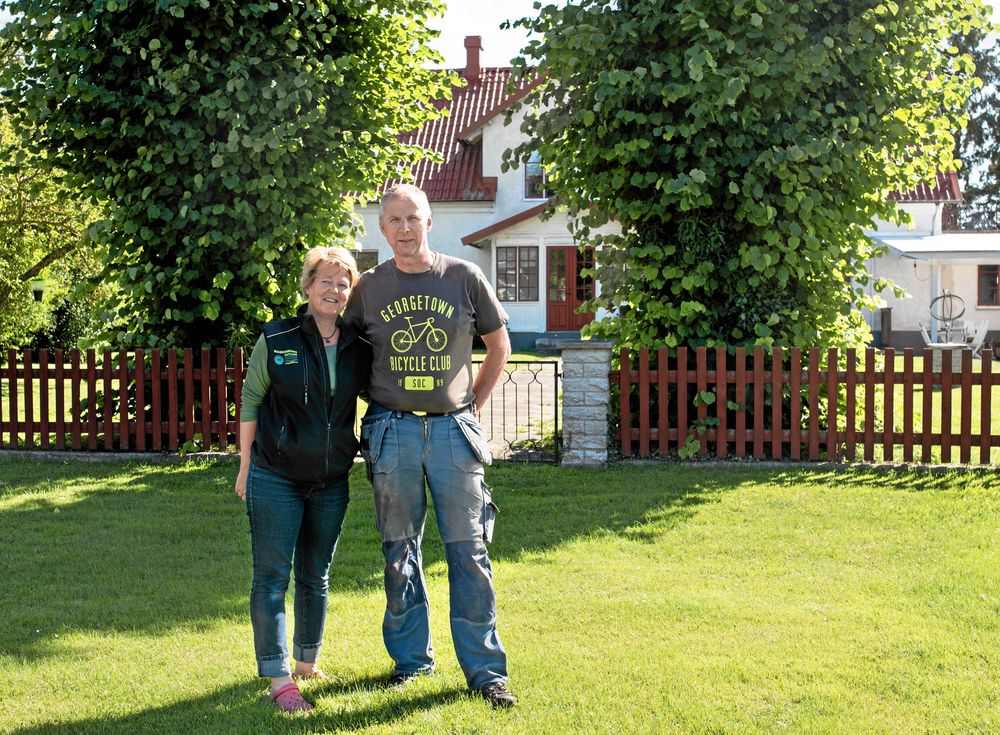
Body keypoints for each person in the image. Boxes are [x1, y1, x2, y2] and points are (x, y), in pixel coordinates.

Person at [343, 183, 517, 708]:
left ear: (429, 221)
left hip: (450, 432)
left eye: (412, 218)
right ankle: (411, 662)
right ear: (382, 227)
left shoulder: (464, 276)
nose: (403, 227)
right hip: (391, 431)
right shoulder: (368, 288)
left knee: (469, 550)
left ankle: (485, 671)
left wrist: (470, 408)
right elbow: (346, 355)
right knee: (399, 550)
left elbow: (499, 345)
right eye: (393, 219)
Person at [234, 246, 372, 713]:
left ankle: (307, 663)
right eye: (326, 282)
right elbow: (251, 402)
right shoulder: (277, 338)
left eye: (342, 283)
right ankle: (278, 677)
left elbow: (379, 395)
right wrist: (245, 465)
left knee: (316, 575)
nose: (334, 291)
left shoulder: (359, 343)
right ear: (308, 287)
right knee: (272, 578)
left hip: (332, 480)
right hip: (275, 476)